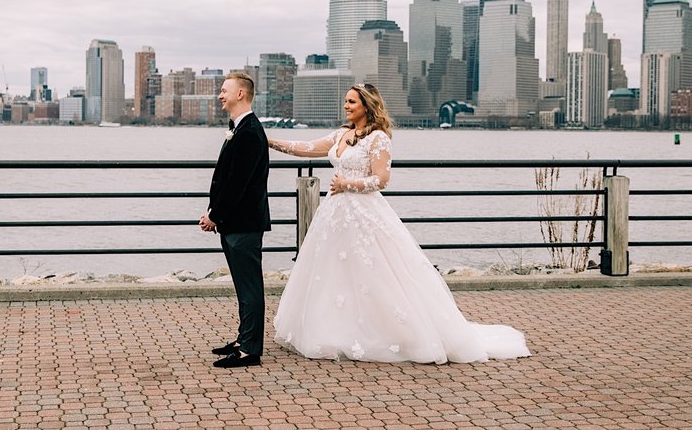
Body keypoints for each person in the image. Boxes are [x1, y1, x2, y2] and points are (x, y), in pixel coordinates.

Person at [267, 84, 530, 363]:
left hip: (363, 214)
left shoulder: (378, 138)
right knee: (335, 273)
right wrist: (269, 141)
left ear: (367, 106)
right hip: (334, 215)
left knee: (373, 274)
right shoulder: (341, 134)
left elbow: (381, 179)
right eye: (345, 101)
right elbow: (306, 148)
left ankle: (387, 332)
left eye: (352, 102)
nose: (346, 106)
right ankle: (335, 331)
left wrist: (348, 183)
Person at [200, 72, 271, 368]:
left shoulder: (250, 132)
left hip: (243, 223)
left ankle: (249, 351)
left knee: (250, 287)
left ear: (240, 94)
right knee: (243, 287)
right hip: (237, 222)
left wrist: (214, 216)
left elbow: (236, 184)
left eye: (224, 90)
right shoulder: (241, 129)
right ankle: (245, 338)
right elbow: (227, 180)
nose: (220, 95)